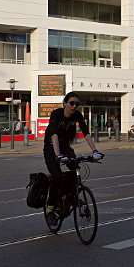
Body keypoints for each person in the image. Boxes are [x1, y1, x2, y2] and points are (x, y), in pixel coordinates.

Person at [44, 92, 103, 226]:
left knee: (75, 168)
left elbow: (86, 133)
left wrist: (95, 151)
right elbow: (54, 135)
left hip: (65, 146)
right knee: (56, 176)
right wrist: (58, 155)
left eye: (77, 104)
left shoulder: (77, 115)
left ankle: (72, 196)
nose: (74, 106)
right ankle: (50, 210)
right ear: (65, 103)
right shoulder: (56, 114)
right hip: (51, 147)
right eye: (71, 103)